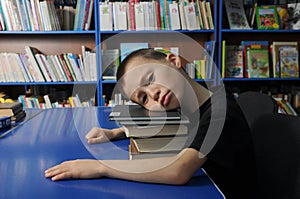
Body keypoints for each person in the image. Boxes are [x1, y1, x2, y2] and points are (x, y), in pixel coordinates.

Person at [45, 48, 256, 199]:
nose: (152, 93)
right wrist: (117, 132)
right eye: (143, 98)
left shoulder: (220, 112)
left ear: (174, 60)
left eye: (150, 79)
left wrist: (100, 166)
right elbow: (172, 125)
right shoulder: (194, 103)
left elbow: (179, 171)